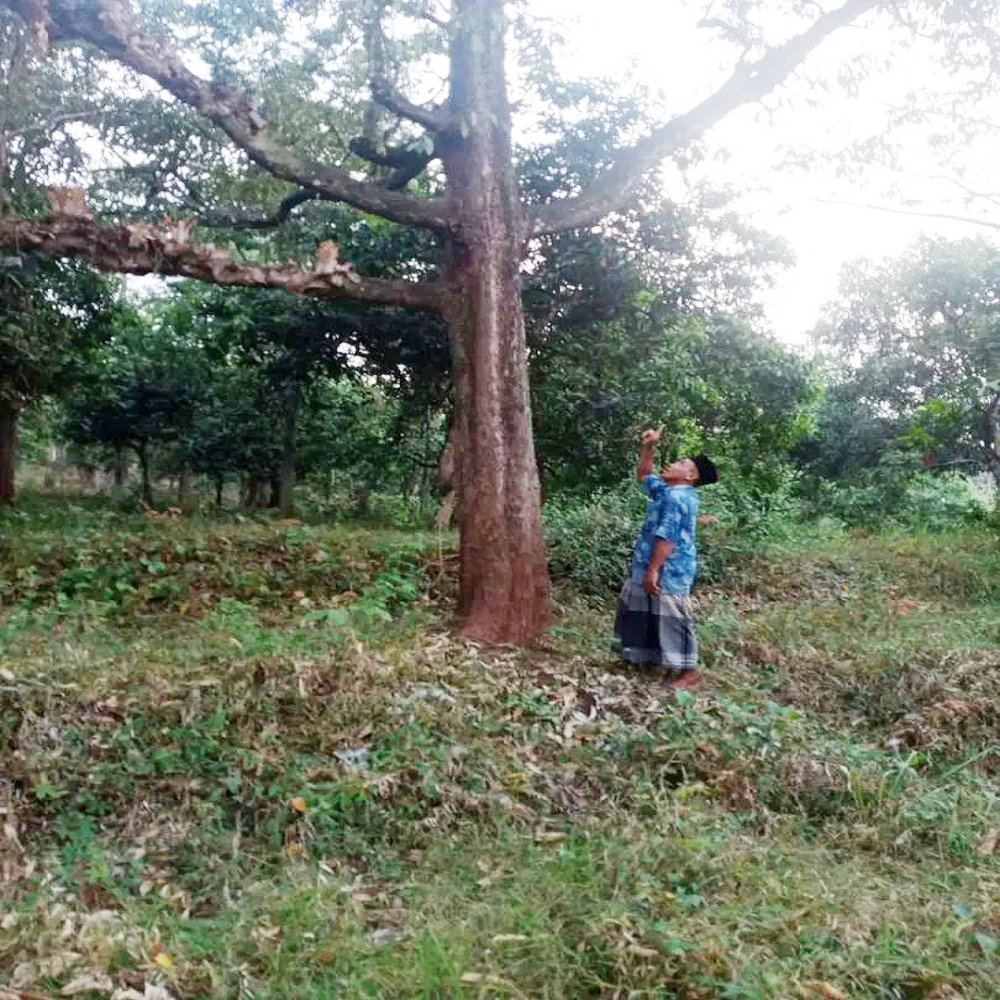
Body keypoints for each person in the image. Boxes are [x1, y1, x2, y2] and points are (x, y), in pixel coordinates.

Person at [613, 427, 718, 689]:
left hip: (669, 568)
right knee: (640, 606)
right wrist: (649, 446)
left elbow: (667, 537)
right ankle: (644, 658)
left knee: (673, 615)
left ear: (690, 476)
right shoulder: (668, 491)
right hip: (649, 562)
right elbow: (645, 474)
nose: (672, 464)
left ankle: (689, 670)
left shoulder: (677, 497)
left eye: (681, 463)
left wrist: (654, 570)